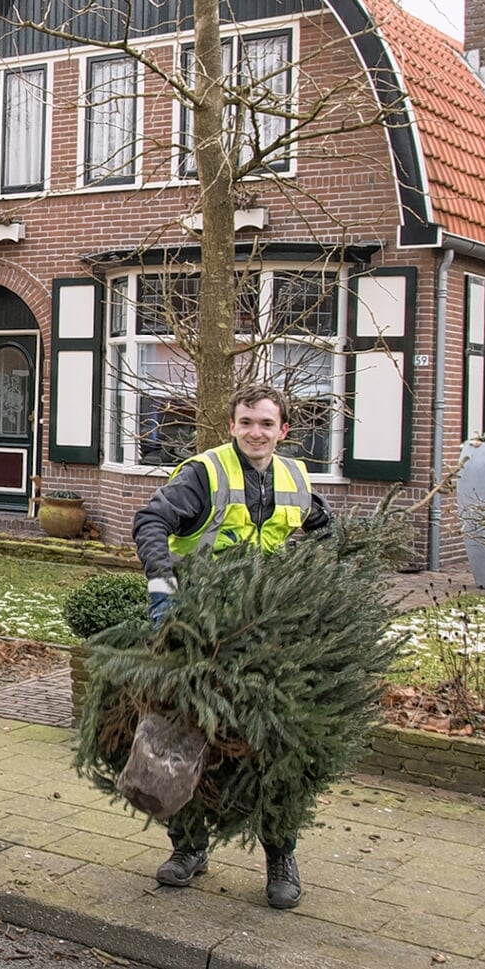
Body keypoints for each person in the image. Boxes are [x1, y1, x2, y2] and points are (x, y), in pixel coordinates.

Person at [131, 383, 331, 911]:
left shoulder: (294, 478)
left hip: (264, 621)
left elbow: (323, 529)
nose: (255, 432)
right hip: (193, 614)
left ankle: (280, 856)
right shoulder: (204, 473)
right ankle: (189, 847)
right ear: (231, 425)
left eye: (266, 424)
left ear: (284, 431)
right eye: (246, 422)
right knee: (180, 732)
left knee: (276, 739)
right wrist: (163, 570)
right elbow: (152, 520)